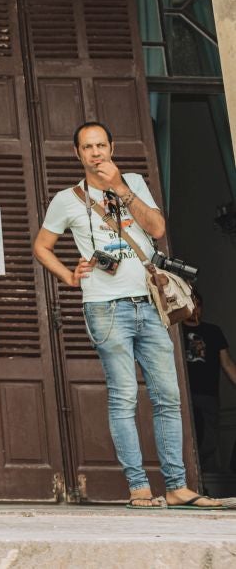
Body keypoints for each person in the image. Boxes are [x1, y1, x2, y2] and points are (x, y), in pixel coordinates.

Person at [33, 121, 223, 510]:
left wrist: (120, 187)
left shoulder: (133, 181)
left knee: (167, 396)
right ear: (78, 154)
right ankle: (138, 488)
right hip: (105, 307)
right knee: (123, 397)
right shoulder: (67, 199)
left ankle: (176, 486)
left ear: (112, 147)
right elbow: (41, 246)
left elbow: (156, 228)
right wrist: (70, 275)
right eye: (88, 147)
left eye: (101, 145)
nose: (96, 152)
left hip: (149, 304)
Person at [182, 292, 236, 472]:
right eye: (190, 304)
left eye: (197, 305)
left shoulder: (213, 331)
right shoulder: (175, 331)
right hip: (182, 394)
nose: (194, 309)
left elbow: (227, 363)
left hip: (208, 394)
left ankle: (203, 477)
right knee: (184, 437)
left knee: (209, 440)